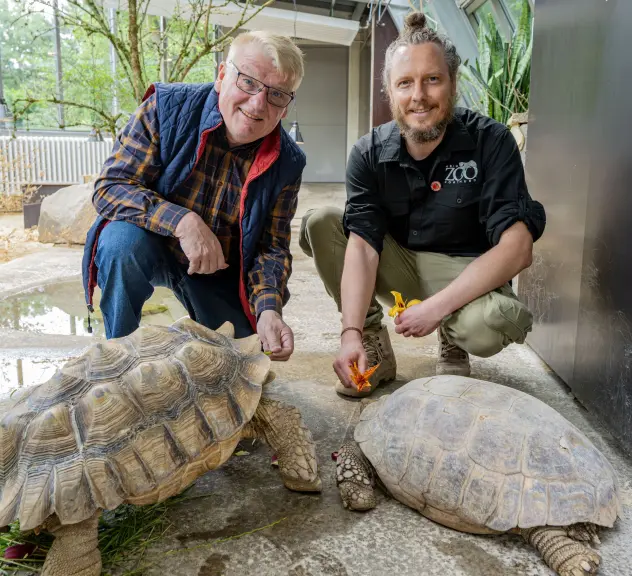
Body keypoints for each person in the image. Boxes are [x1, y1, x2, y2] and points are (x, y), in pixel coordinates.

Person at [299, 12, 546, 396]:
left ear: (452, 84)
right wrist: (349, 332)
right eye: (405, 83)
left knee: (497, 322)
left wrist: (437, 309)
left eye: (432, 79)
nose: (419, 96)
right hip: (399, 265)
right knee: (323, 221)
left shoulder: (492, 141)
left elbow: (518, 248)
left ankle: (455, 337)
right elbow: (362, 246)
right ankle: (370, 345)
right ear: (390, 91)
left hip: (464, 273)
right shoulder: (368, 153)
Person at [81, 31, 306, 361]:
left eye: (276, 95)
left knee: (239, 359)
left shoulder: (286, 161)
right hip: (149, 243)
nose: (258, 103)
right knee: (120, 244)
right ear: (221, 76)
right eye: (247, 82)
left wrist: (269, 308)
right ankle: (117, 356)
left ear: (286, 107)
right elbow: (111, 187)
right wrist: (183, 222)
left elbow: (271, 247)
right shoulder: (166, 108)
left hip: (217, 268)